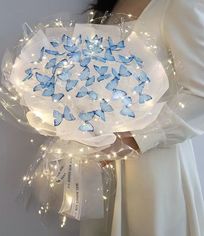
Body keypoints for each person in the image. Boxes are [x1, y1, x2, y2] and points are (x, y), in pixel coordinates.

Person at [80, 0, 204, 235]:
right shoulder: (111, 4)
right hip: (103, 158)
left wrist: (135, 138)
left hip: (154, 164)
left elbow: (201, 94)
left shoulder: (178, 4)